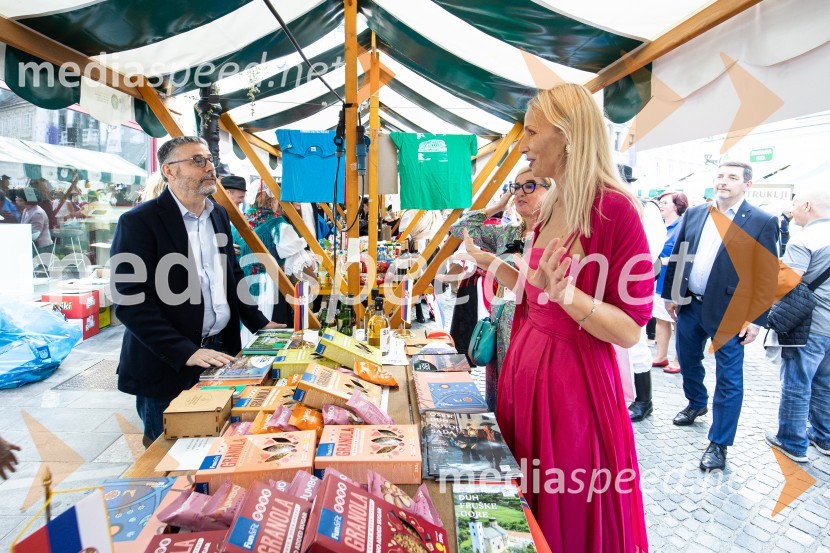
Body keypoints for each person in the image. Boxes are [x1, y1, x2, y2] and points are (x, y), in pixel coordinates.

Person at [461, 83, 651, 551]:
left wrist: (571, 298)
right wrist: (489, 263)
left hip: (572, 391)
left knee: (565, 512)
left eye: (531, 132)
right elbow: (536, 289)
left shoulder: (614, 209)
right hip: (527, 373)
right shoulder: (555, 204)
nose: (523, 146)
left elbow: (630, 329)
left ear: (567, 135)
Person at [110, 136, 283, 447]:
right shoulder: (139, 222)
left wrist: (260, 322)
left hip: (220, 352)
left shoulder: (217, 215)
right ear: (169, 171)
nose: (209, 167)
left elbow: (231, 275)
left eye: (209, 160)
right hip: (166, 363)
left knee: (215, 442)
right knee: (167, 452)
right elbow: (130, 301)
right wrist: (184, 350)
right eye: (197, 160)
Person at [662, 161, 778, 471]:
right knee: (686, 360)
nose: (723, 182)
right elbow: (679, 253)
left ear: (746, 185)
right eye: (721, 176)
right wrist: (672, 294)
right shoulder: (697, 212)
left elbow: (767, 276)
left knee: (729, 379)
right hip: (690, 305)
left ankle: (719, 443)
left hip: (732, 313)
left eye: (732, 177)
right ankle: (697, 402)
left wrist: (756, 319)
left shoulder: (762, 221)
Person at [449, 166, 550, 411]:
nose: (520, 193)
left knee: (525, 402)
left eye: (530, 186)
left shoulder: (553, 236)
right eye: (516, 187)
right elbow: (459, 228)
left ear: (551, 191)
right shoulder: (506, 234)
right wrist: (497, 207)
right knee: (499, 401)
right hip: (500, 328)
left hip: (533, 331)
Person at [765, 182, 830, 462]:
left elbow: (785, 283)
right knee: (826, 383)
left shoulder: (806, 238)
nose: (792, 210)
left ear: (807, 207)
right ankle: (824, 436)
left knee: (797, 382)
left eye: (795, 204)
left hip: (809, 326)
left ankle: (791, 441)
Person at [239, 188, 318, 326]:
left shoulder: (241, 221)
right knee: (273, 332)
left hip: (242, 286)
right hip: (270, 287)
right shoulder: (277, 223)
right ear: (272, 201)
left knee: (248, 329)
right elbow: (297, 262)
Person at [652, 191, 689, 373]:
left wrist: (665, 261)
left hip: (674, 281)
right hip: (658, 281)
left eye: (665, 202)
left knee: (677, 323)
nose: (661, 205)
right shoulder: (659, 225)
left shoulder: (682, 225)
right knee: (660, 319)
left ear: (677, 206)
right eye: (660, 202)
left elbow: (684, 253)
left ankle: (678, 359)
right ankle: (661, 356)